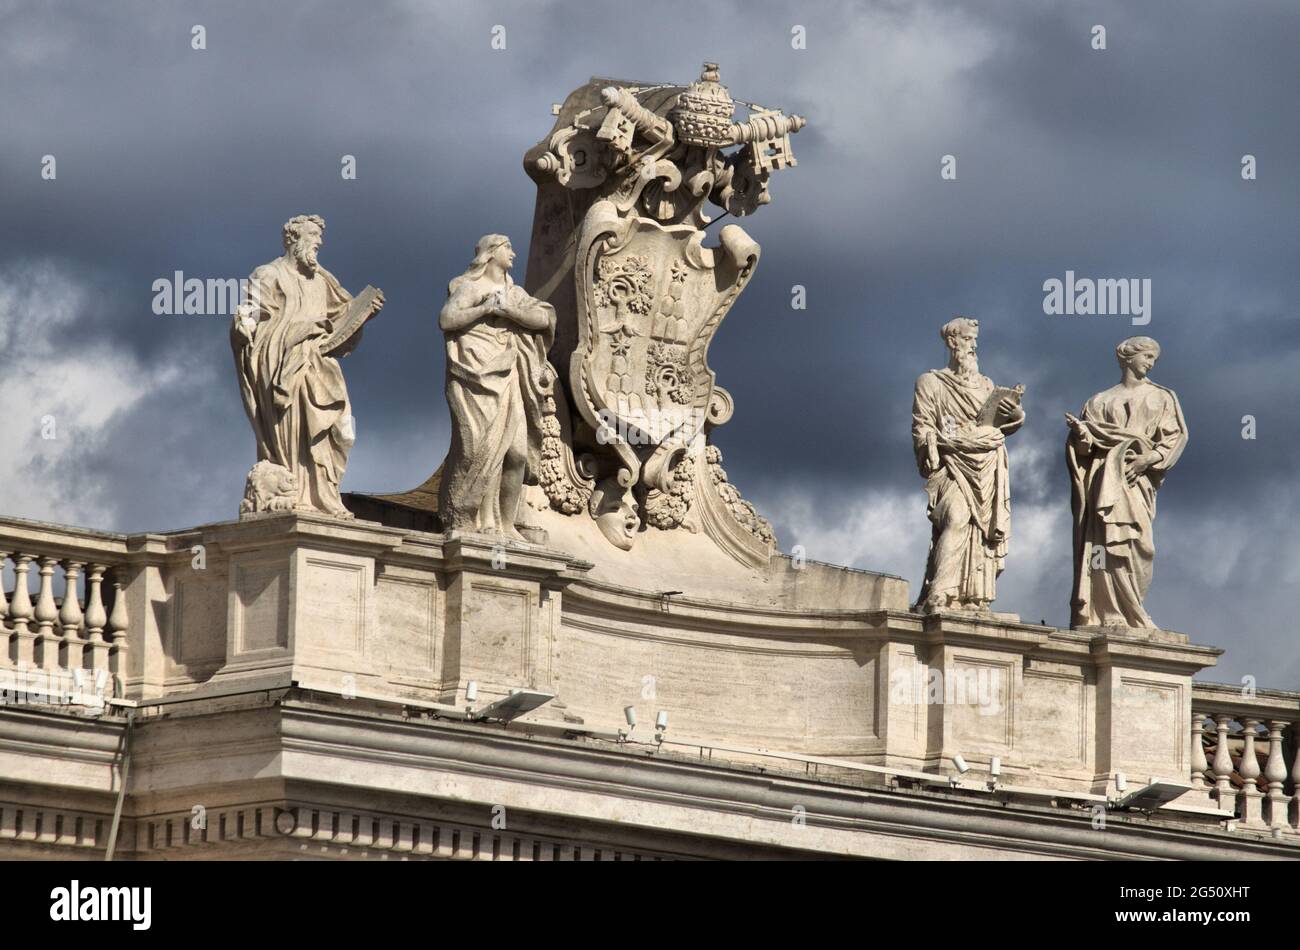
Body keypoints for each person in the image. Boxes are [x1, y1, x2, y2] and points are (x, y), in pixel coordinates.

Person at [438, 234, 557, 539]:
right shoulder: (470, 286)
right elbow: (448, 319)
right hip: (477, 376)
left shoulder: (514, 293)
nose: (514, 254)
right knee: (486, 450)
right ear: (490, 254)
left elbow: (543, 318)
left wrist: (508, 311)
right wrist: (485, 309)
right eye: (508, 248)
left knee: (516, 453)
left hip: (509, 374)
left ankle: (507, 524)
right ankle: (483, 521)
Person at [1066, 336, 1187, 628]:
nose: (1150, 363)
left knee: (1140, 545)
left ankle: (1133, 608)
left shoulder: (1162, 397)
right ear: (1127, 358)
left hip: (1137, 481)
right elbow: (1084, 451)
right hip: (1102, 478)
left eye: (1153, 359)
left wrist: (1149, 459)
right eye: (1146, 357)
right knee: (1104, 543)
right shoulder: (1099, 401)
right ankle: (1108, 613)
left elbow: (1176, 438)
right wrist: (1082, 438)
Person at [912, 318, 1024, 612]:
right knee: (957, 517)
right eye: (969, 339)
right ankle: (940, 592)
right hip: (951, 462)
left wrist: (1016, 415)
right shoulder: (931, 382)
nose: (974, 346)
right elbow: (922, 426)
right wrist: (939, 444)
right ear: (953, 342)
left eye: (975, 340)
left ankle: (972, 597)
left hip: (985, 463)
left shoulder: (986, 384)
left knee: (980, 532)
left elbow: (997, 425)